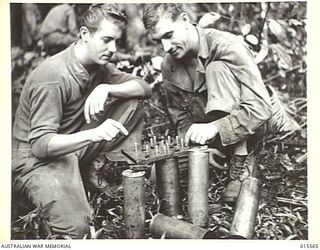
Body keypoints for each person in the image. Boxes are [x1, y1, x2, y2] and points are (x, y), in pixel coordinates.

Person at [12, 3, 152, 239]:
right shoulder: (53, 76)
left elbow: (144, 88)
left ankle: (93, 172)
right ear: (85, 34)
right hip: (35, 160)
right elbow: (40, 145)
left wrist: (108, 88)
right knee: (78, 231)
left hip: (70, 146)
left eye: (116, 41)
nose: (113, 49)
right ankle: (39, 194)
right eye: (106, 40)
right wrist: (93, 134)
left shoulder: (100, 66)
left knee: (132, 100)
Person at [142, 4, 272, 203]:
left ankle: (241, 162)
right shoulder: (169, 65)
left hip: (249, 129)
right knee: (155, 175)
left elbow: (261, 108)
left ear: (185, 20)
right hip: (212, 138)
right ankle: (220, 156)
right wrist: (200, 150)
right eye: (159, 41)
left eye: (169, 35)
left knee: (216, 69)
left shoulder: (227, 46)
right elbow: (181, 119)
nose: (166, 47)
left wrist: (215, 128)